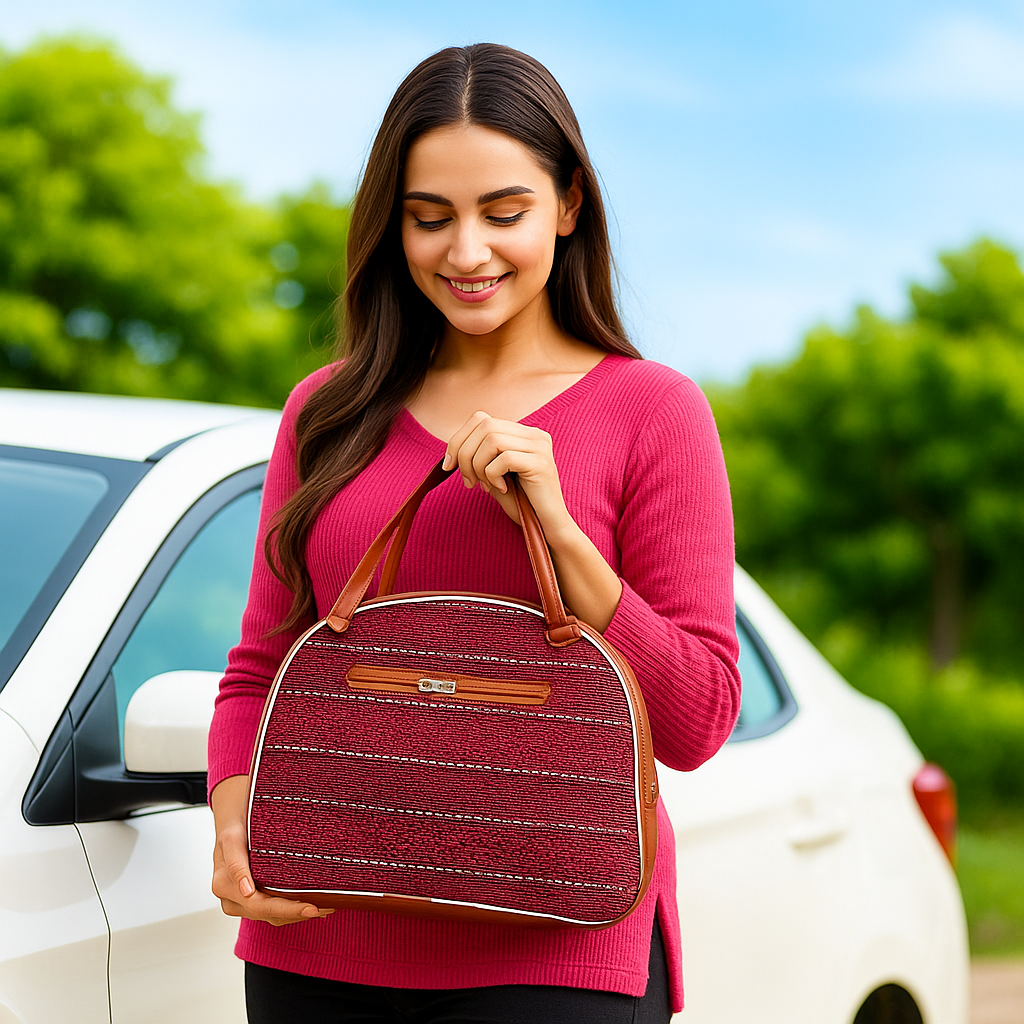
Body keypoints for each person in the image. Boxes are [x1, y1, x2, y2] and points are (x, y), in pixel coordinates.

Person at [209, 42, 741, 1024]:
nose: (465, 252)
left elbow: (700, 718)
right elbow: (260, 667)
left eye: (503, 213)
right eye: (429, 217)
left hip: (555, 955)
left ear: (568, 204)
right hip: (317, 938)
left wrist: (561, 536)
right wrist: (236, 823)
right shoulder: (325, 412)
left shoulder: (653, 411)